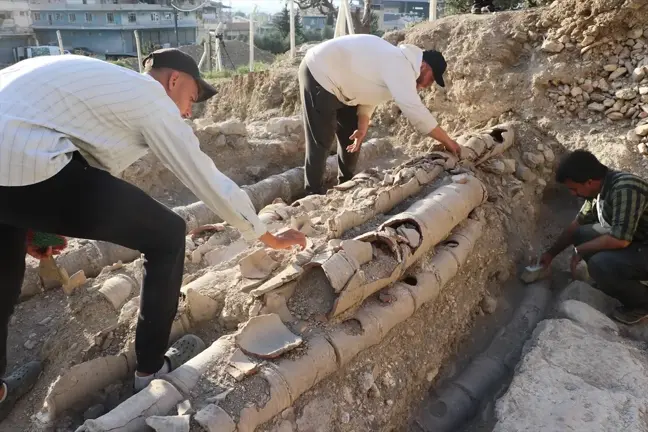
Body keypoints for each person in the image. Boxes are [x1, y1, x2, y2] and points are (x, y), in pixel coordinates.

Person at [0, 48, 306, 422]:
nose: (188, 112)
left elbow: (53, 139)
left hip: (16, 158)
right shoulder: (149, 97)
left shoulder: (102, 83)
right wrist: (264, 235)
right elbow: (202, 175)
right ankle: (150, 371)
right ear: (173, 80)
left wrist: (34, 219)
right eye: (191, 98)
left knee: (2, 279)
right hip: (26, 160)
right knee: (167, 234)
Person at [298, 33, 461, 196]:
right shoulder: (401, 65)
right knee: (321, 138)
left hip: (345, 82)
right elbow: (415, 111)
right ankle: (312, 193)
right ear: (424, 66)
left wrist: (362, 126)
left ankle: (346, 183)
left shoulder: (397, 64)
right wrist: (448, 141)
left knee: (352, 135)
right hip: (319, 71)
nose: (428, 85)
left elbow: (371, 91)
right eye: (431, 79)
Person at [540, 149, 648, 325]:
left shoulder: (625, 188)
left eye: (574, 189)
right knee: (583, 234)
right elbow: (576, 227)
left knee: (600, 264)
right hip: (638, 238)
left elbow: (620, 240)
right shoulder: (598, 190)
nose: (573, 194)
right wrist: (550, 254)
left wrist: (580, 251)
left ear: (589, 182)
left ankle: (642, 304)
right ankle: (613, 281)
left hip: (642, 244)